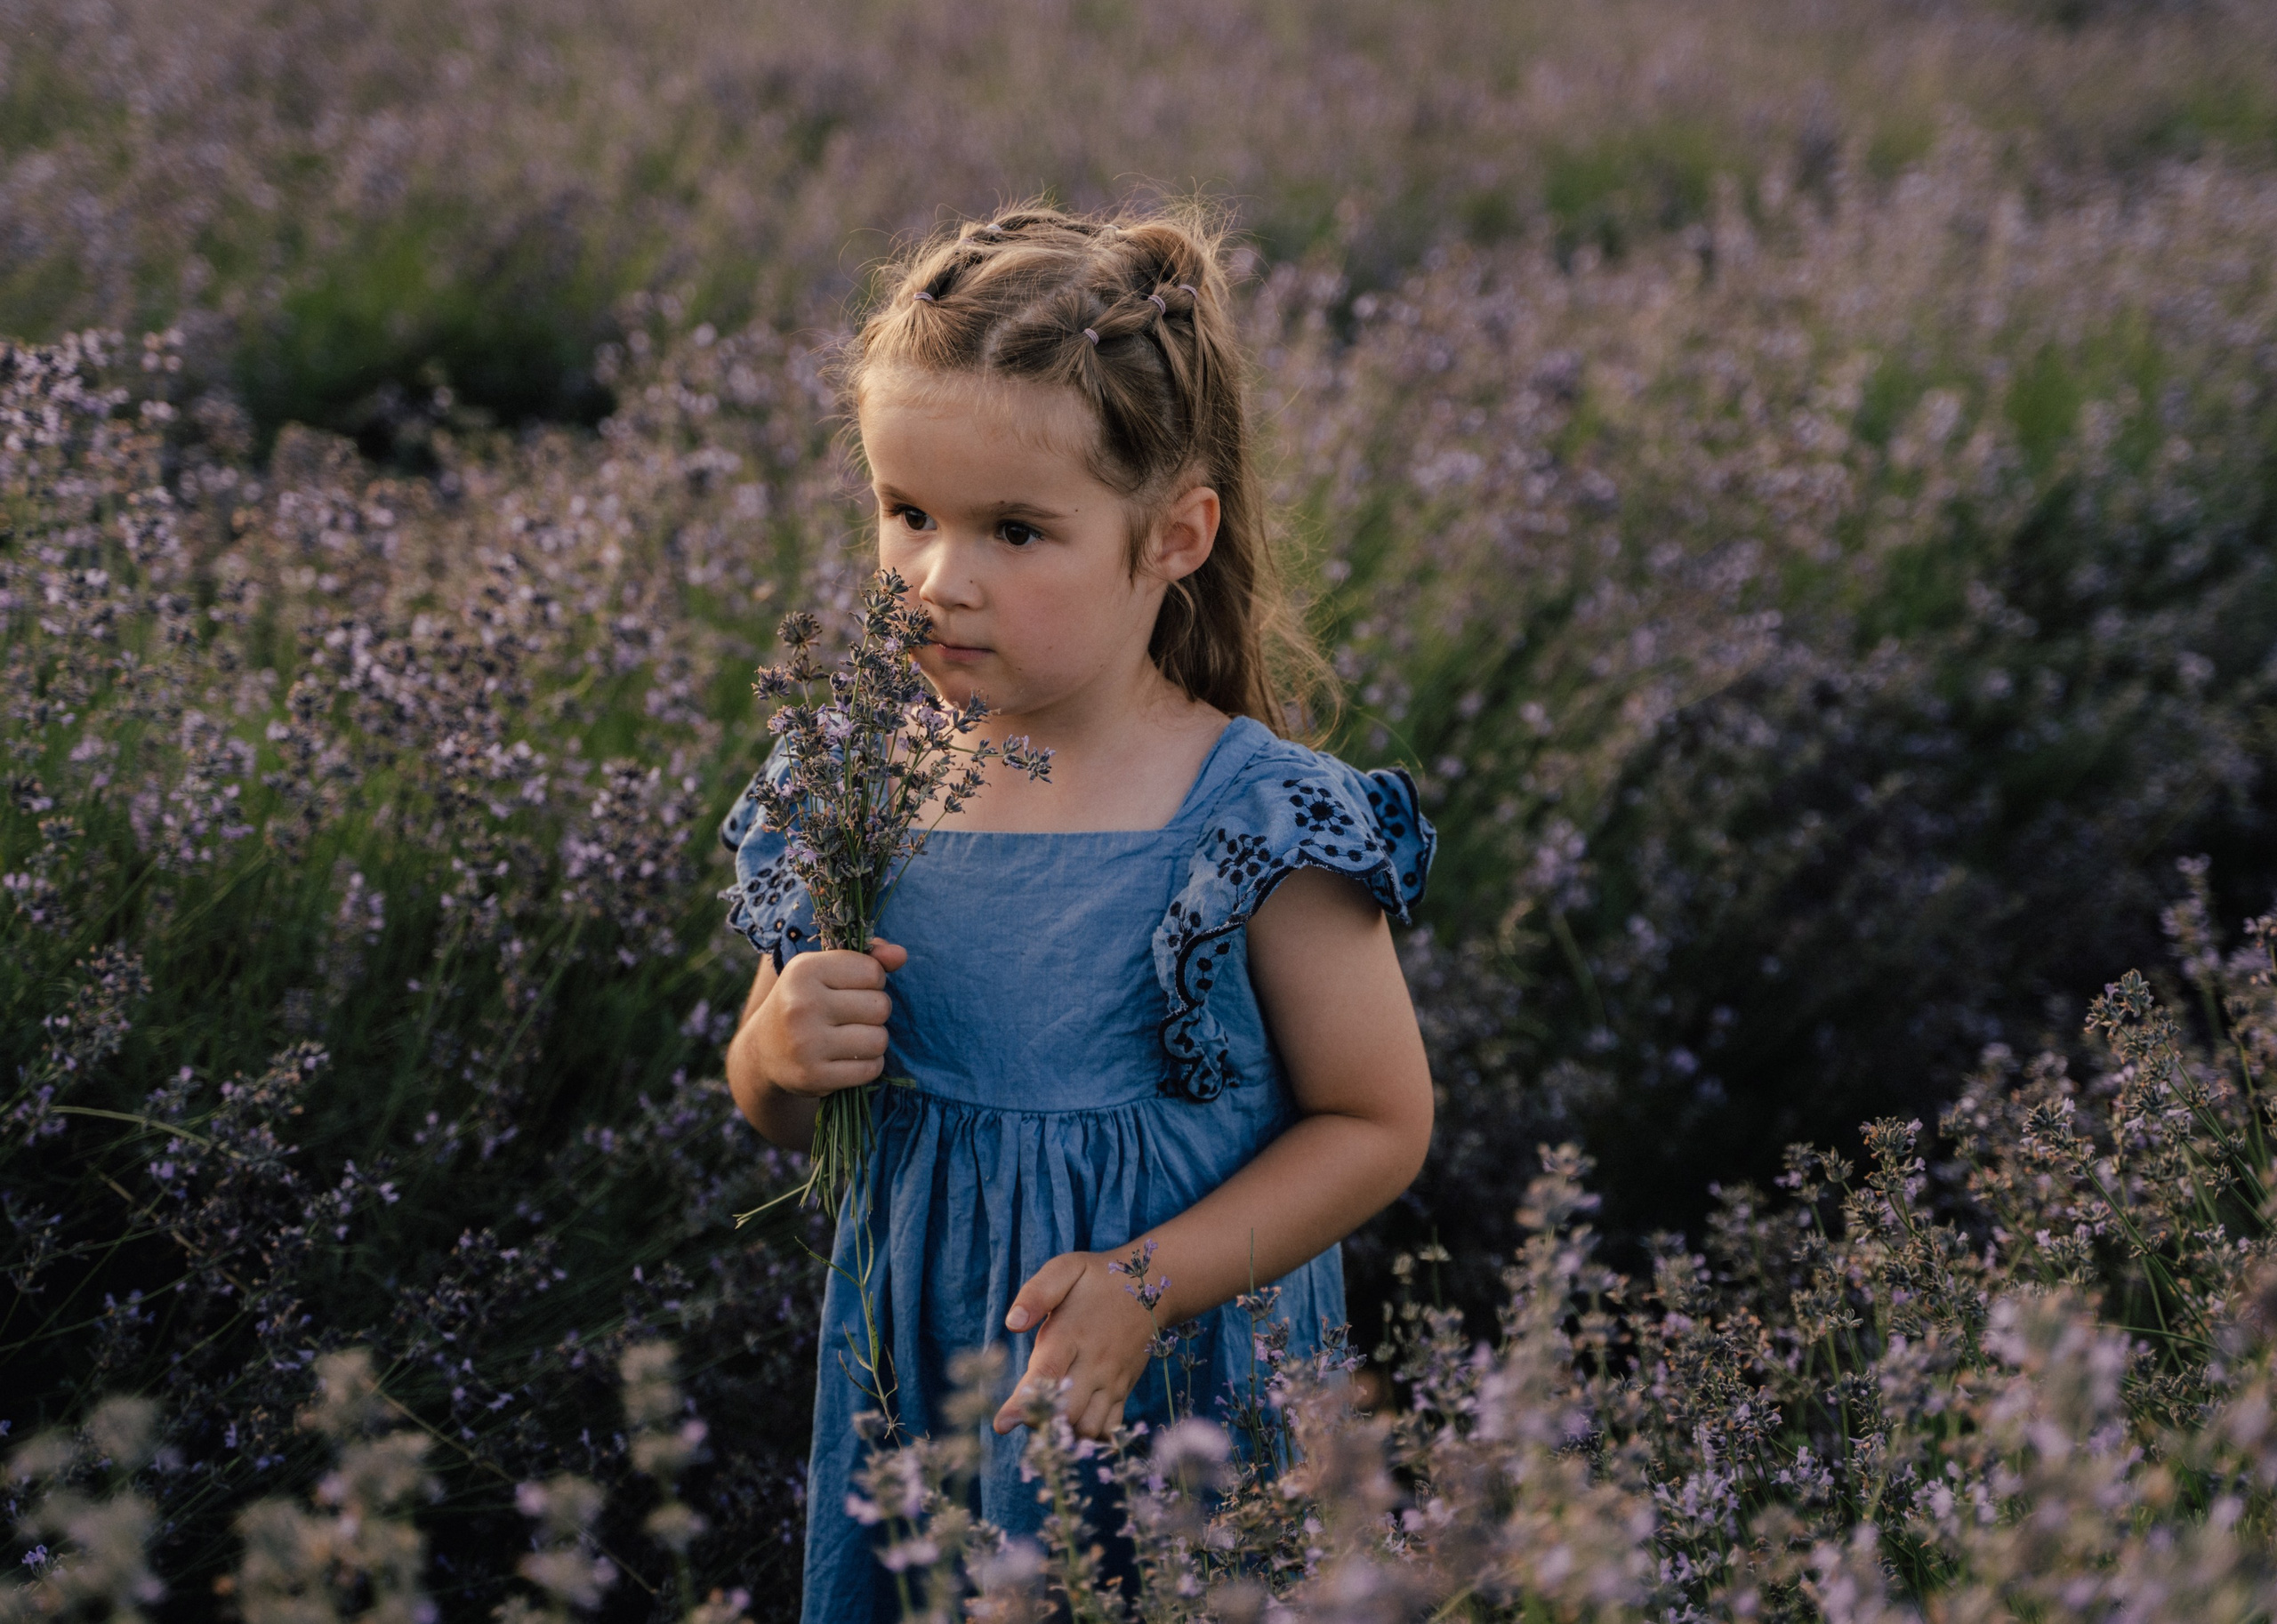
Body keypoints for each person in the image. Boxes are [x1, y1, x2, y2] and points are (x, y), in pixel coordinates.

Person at [720, 202, 1435, 1621]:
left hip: (1171, 1385)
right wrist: (781, 1055)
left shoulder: (1255, 817)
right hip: (926, 1372)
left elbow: (1379, 1124)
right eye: (905, 512)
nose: (938, 578)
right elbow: (785, 1113)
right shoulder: (856, 784)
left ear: (1174, 535)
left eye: (1017, 530)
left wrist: (1147, 1282)